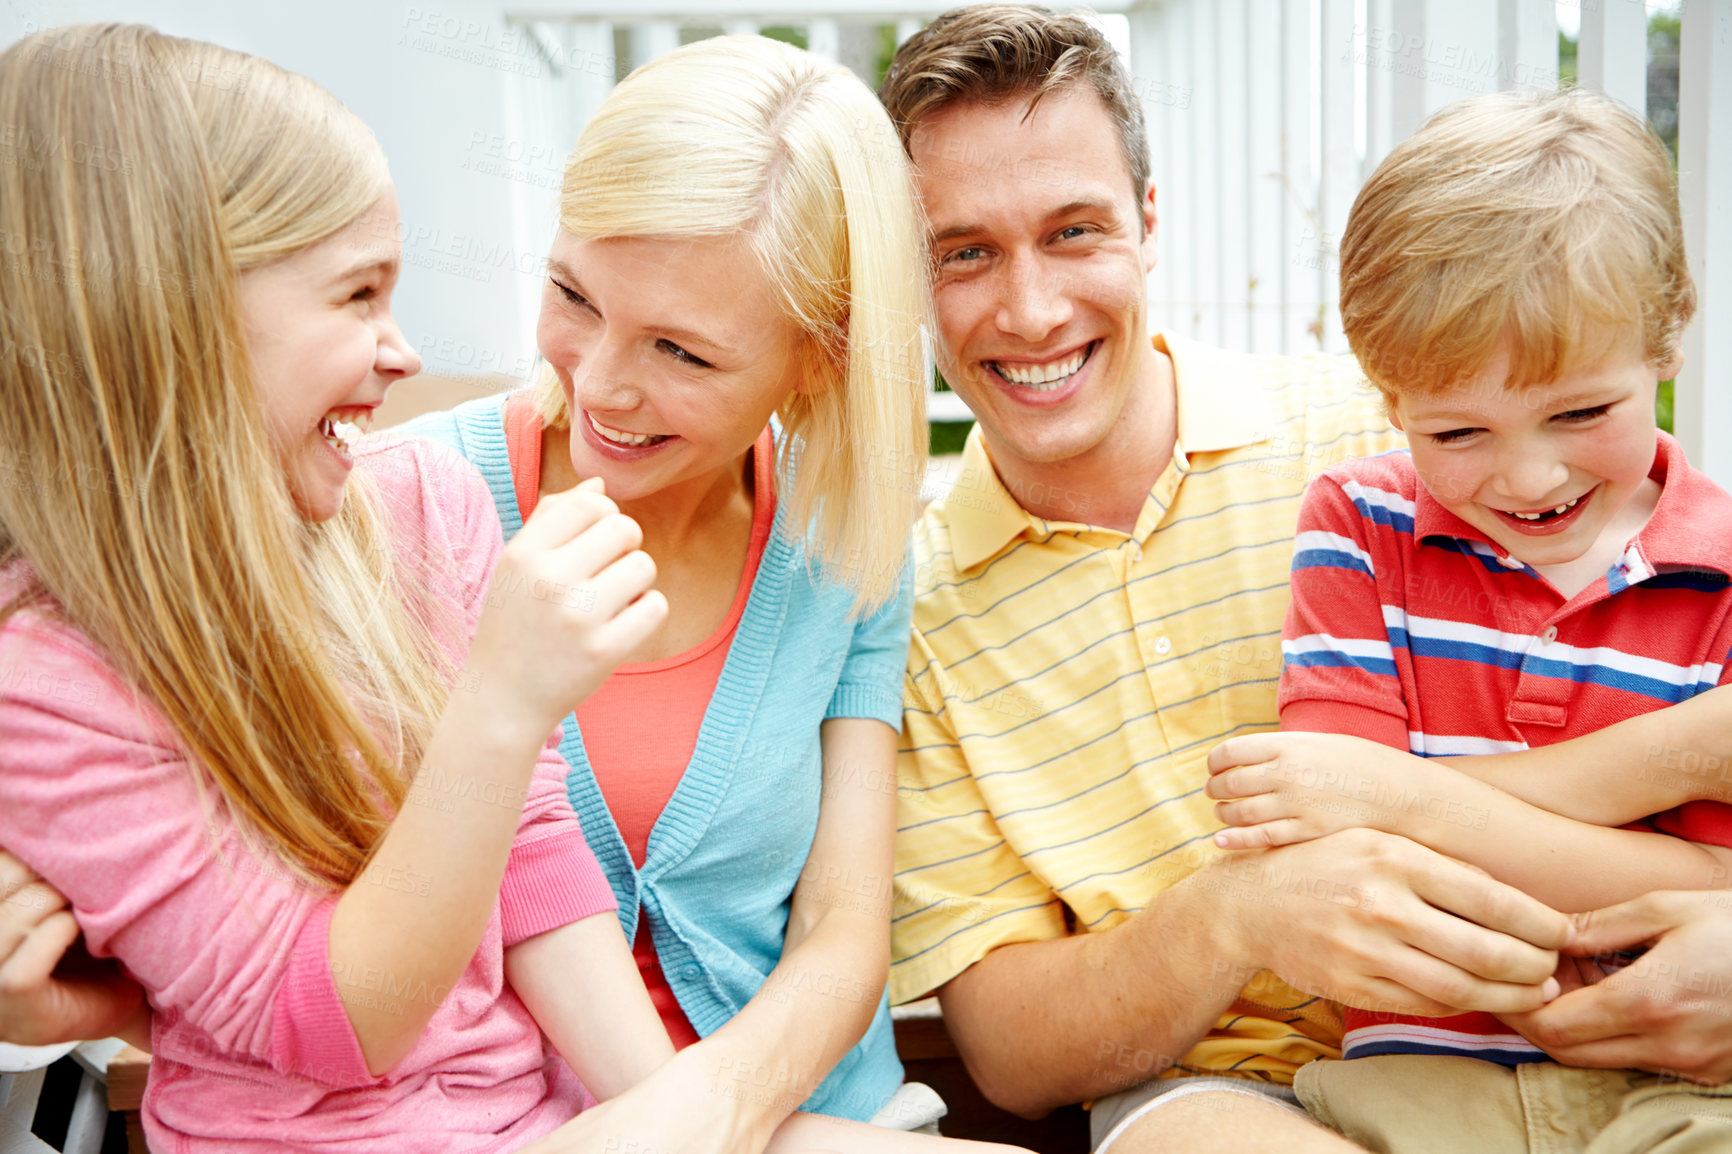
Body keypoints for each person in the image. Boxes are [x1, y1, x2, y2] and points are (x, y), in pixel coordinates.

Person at [0, 23, 1024, 1154]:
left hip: (717, 1107)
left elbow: (829, 925)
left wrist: (700, 1117)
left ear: (817, 358)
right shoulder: (398, 499)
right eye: (573, 293)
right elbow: (281, 976)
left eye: (682, 351)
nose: (600, 379)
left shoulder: (838, 547)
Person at [876, 7, 1577, 1153]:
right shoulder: (915, 617)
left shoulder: (1375, 435)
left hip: (1526, 1038)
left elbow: (1655, 641)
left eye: (1073, 231)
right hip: (1225, 1102)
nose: (1031, 309)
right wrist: (1236, 916)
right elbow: (1006, 1046)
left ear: (1148, 224)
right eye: (964, 252)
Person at [0, 21, 673, 1151]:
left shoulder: (423, 504)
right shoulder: (46, 685)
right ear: (176, 316)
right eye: (358, 295)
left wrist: (680, 1113)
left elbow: (529, 852)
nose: (402, 350)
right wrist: (500, 704)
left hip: (537, 1118)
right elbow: (330, 1020)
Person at [1205, 88, 1732, 1150]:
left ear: (1666, 333)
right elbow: (1341, 835)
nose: (1529, 474)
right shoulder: (1360, 526)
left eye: (1580, 409)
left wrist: (1404, 793)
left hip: (1675, 1083)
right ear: (1387, 397)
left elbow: (1712, 893)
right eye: (1457, 430)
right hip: (1418, 1083)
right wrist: (1675, 758)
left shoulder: (1719, 574)